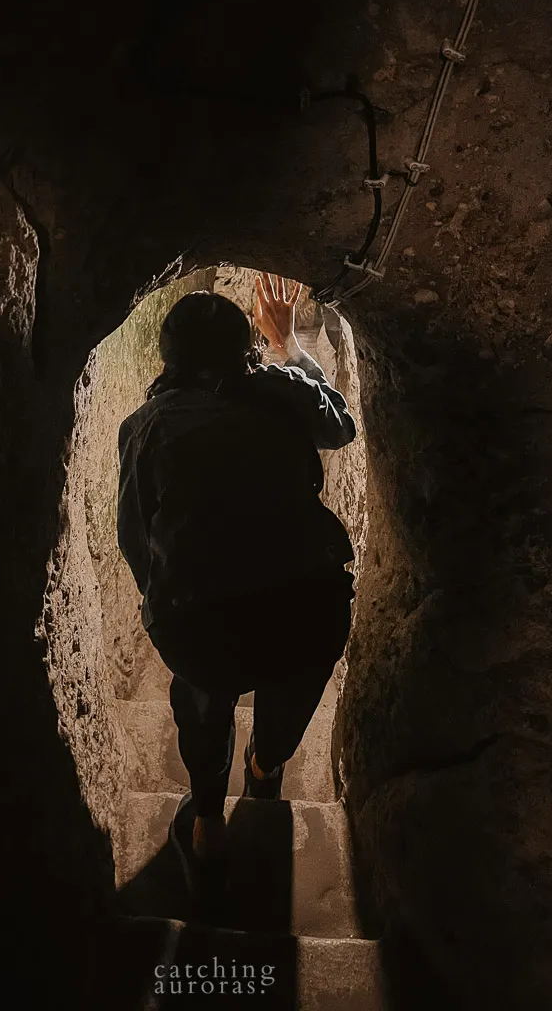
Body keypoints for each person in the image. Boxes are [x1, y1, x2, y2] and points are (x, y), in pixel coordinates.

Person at [116, 273, 357, 895]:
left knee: (202, 692)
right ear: (244, 345)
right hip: (306, 607)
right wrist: (289, 351)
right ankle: (266, 764)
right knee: (296, 673)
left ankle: (205, 820)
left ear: (168, 358)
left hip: (203, 622)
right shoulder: (280, 392)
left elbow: (135, 535)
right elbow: (339, 428)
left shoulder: (149, 425)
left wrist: (167, 598)